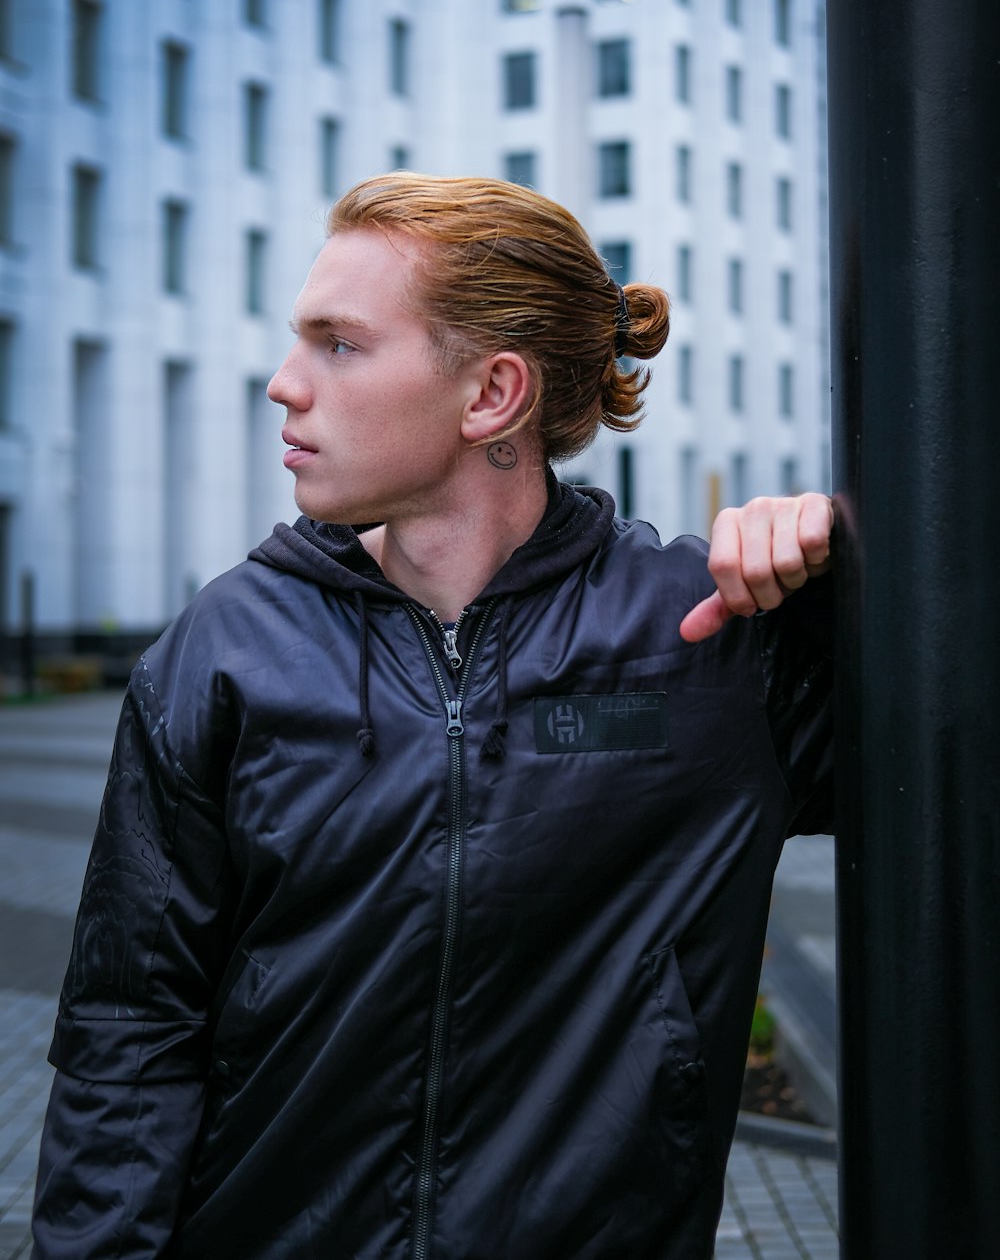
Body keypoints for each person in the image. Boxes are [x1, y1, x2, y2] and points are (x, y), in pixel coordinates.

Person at [31, 173, 834, 1260]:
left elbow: (951, 763)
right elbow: (129, 1031)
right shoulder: (222, 651)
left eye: (339, 344)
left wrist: (861, 581)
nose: (283, 384)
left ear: (491, 394)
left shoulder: (712, 639)